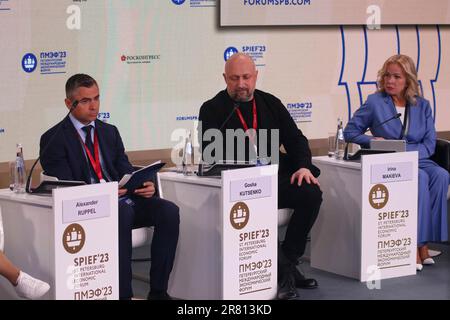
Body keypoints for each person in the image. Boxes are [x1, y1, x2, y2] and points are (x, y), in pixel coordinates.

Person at [39, 74, 180, 300]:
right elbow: (67, 185)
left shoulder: (109, 131)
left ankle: (158, 293)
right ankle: (123, 295)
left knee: (168, 211)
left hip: (122, 201)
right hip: (88, 210)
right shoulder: (54, 138)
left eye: (96, 98)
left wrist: (143, 185)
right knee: (121, 212)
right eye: (85, 101)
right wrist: (103, 194)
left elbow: (124, 170)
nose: (93, 105)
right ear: (69, 103)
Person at [198, 53, 322, 300]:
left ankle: (287, 262)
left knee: (311, 193)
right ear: (225, 78)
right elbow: (210, 153)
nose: (241, 84)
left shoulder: (271, 103)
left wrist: (303, 166)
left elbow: (296, 139)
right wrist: (246, 147)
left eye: (246, 77)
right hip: (240, 186)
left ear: (256, 76)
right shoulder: (212, 109)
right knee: (258, 201)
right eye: (234, 78)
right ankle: (285, 275)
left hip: (274, 178)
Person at [343, 54, 449, 271]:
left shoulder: (423, 105)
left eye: (396, 77)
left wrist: (406, 152)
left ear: (408, 80)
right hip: (390, 161)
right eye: (387, 76)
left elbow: (429, 144)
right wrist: (373, 140)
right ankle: (418, 246)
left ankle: (425, 240)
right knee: (419, 178)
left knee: (441, 175)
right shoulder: (375, 102)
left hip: (418, 158)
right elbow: (350, 131)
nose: (390, 81)